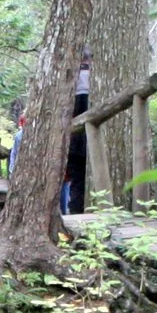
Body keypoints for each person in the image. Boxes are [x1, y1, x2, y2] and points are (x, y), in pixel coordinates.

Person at [62, 50, 92, 215]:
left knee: (77, 182)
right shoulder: (90, 78)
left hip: (73, 142)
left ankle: (76, 212)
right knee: (80, 180)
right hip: (85, 141)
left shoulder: (68, 78)